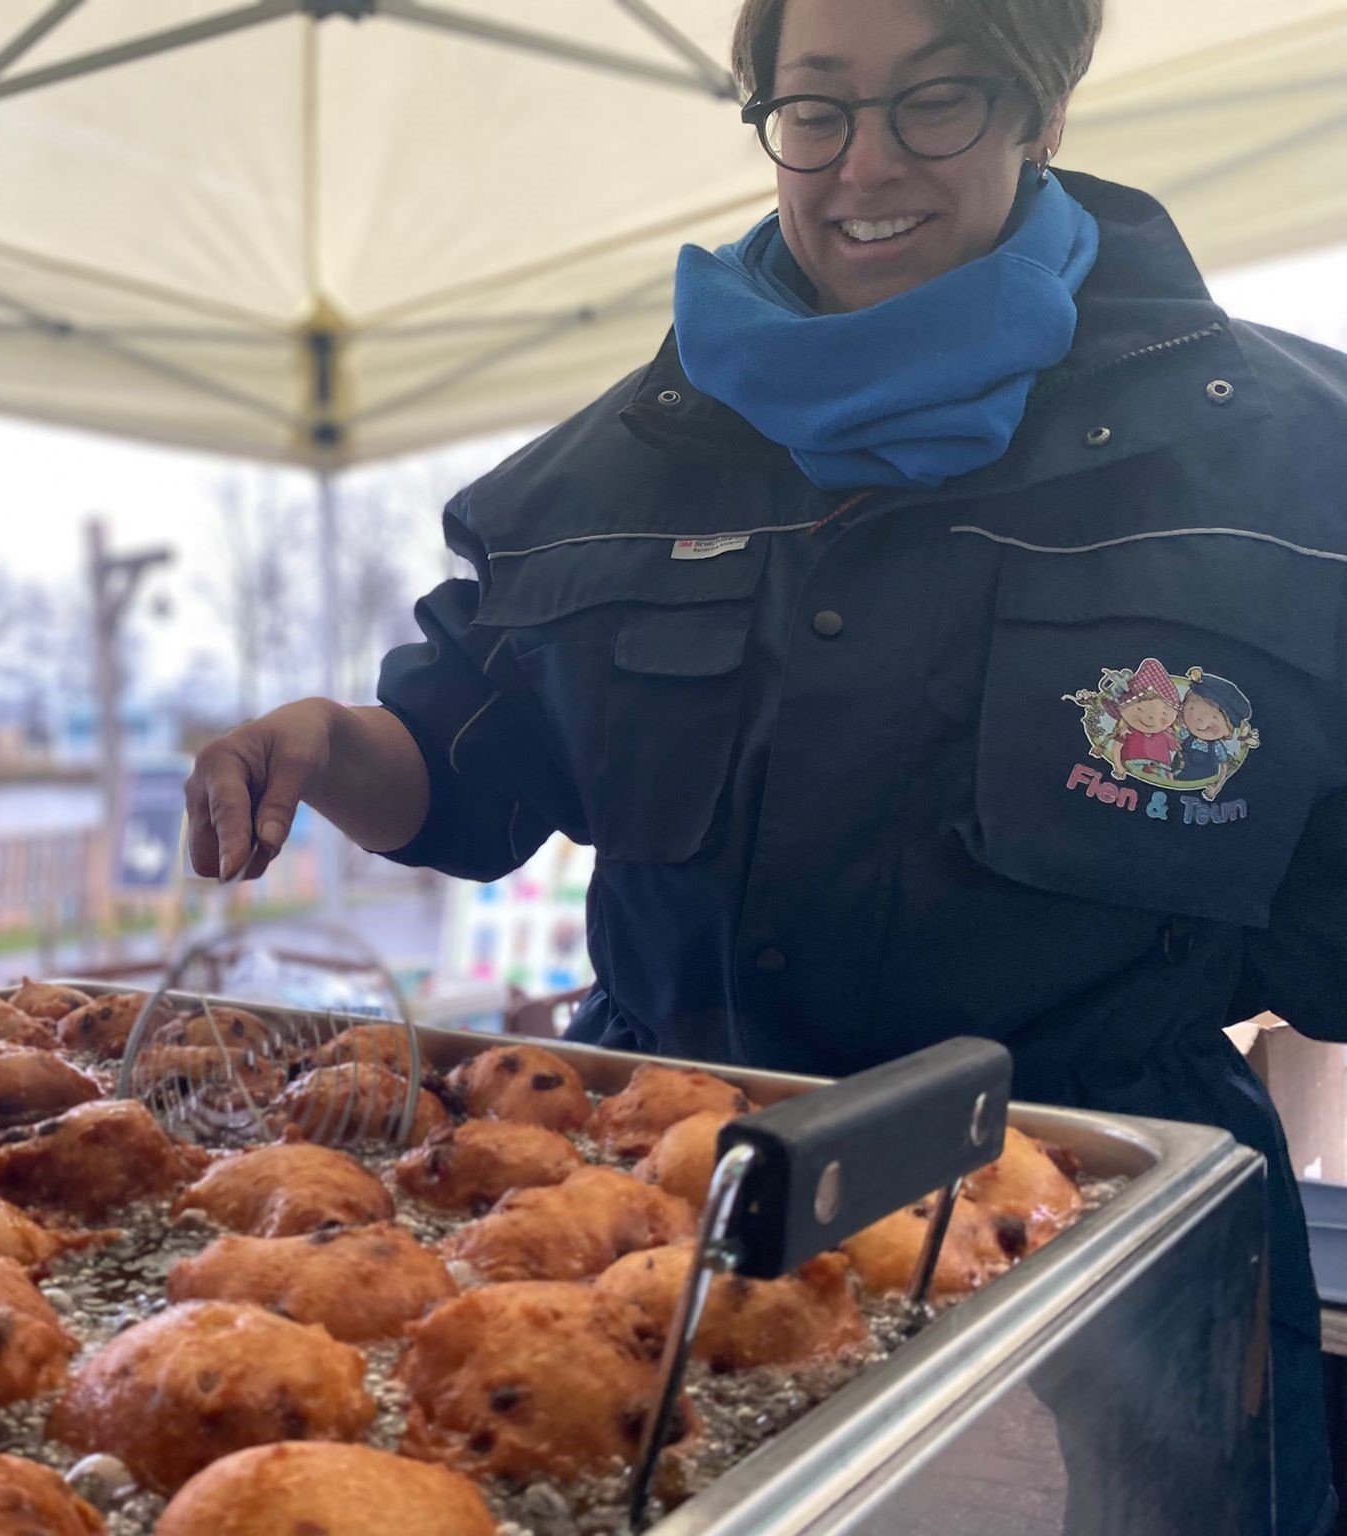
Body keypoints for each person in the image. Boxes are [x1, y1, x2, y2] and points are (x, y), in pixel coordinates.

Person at [187, 0, 1344, 1530]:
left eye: (937, 101)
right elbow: (479, 772)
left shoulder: (1286, 463)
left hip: (1095, 1237)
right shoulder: (610, 472)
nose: (866, 160)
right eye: (816, 108)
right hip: (667, 1211)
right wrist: (333, 744)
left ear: (1041, 110)